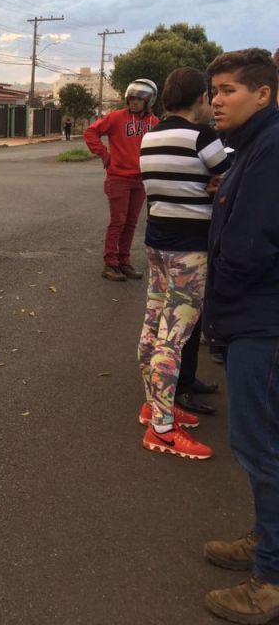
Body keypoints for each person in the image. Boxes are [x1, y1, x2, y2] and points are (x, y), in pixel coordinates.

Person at [200, 48, 279, 623]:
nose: (217, 100)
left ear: (264, 94)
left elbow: (251, 245)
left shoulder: (271, 150)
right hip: (255, 317)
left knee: (263, 451)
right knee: (261, 449)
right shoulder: (253, 147)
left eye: (229, 90)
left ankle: (271, 580)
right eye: (214, 90)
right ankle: (265, 541)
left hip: (263, 322)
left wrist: (218, 308)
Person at [136, 67, 228, 460]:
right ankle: (162, 429)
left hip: (157, 243)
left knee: (153, 324)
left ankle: (154, 405)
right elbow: (231, 176)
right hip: (191, 252)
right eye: (211, 98)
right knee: (174, 339)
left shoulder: (150, 135)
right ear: (201, 99)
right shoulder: (203, 136)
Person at [84, 78, 161, 281]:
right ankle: (110, 264)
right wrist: (103, 154)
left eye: (139, 98)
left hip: (141, 180)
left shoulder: (155, 123)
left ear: (149, 100)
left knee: (131, 222)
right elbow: (91, 131)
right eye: (131, 98)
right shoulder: (116, 117)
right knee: (118, 221)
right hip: (118, 178)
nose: (134, 102)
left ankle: (124, 262)